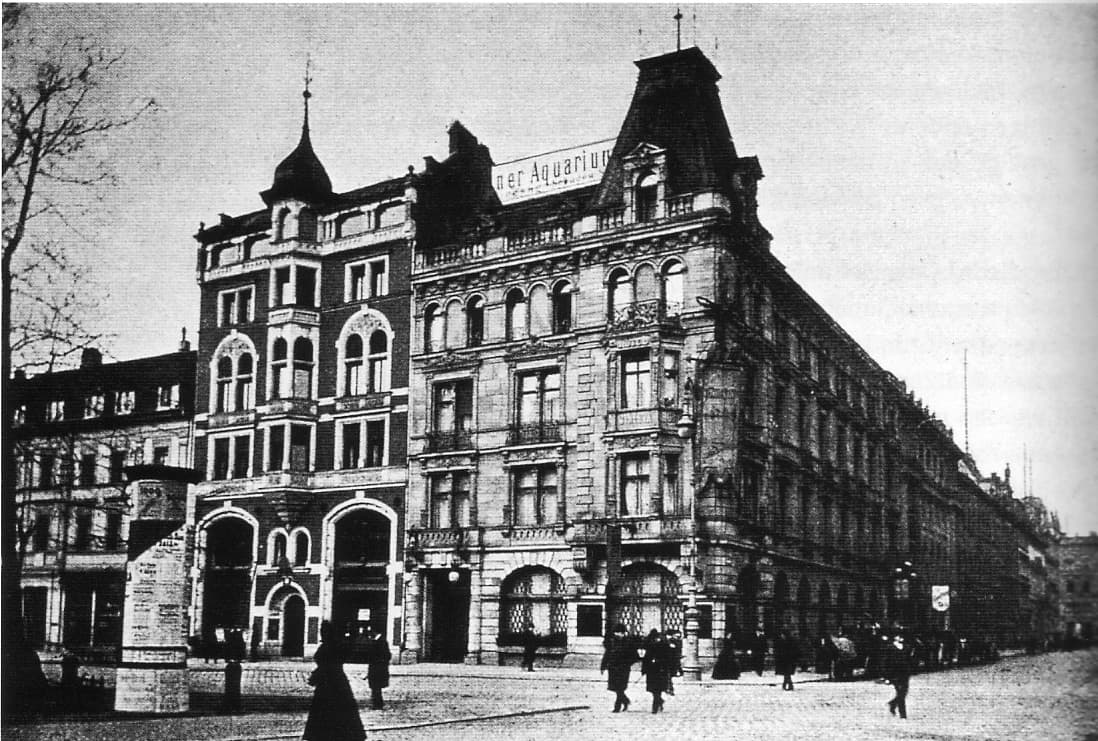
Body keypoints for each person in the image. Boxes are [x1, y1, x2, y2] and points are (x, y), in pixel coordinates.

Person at [303, 621, 366, 741]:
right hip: (336, 681)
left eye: (323, 631)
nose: (322, 633)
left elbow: (328, 664)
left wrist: (316, 675)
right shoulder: (334, 644)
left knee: (329, 708)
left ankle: (328, 735)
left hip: (329, 682)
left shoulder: (330, 646)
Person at [600, 624, 639, 712]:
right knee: (615, 687)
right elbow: (607, 655)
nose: (617, 634)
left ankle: (617, 707)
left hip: (623, 669)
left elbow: (635, 656)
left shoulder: (628, 643)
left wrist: (627, 663)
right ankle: (625, 701)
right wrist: (603, 666)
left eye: (619, 633)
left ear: (623, 633)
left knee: (620, 687)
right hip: (613, 668)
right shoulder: (612, 642)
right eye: (616, 632)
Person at [641, 629, 672, 714]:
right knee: (653, 690)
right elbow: (645, 658)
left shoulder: (663, 644)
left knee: (657, 690)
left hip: (660, 670)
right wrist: (644, 670)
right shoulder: (648, 644)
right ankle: (660, 701)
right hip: (651, 670)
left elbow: (667, 657)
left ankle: (655, 707)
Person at [365, 625, 391, 710]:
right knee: (375, 688)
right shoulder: (377, 641)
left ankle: (377, 704)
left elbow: (387, 655)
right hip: (375, 668)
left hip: (378, 669)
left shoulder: (381, 642)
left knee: (376, 688)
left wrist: (379, 663)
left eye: (370, 632)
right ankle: (377, 703)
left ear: (374, 632)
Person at [886, 635, 912, 720]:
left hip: (905, 672)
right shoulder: (889, 648)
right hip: (894, 673)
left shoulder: (906, 647)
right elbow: (886, 661)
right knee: (900, 692)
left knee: (904, 692)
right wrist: (886, 676)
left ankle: (893, 703)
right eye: (898, 636)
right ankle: (903, 714)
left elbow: (909, 659)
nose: (901, 638)